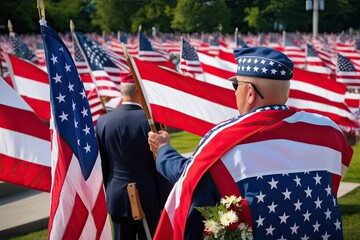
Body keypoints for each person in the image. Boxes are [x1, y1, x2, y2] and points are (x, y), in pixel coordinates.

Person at [148, 47, 353, 240]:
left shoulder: (225, 137)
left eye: (236, 85)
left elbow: (192, 177)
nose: (235, 92)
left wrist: (164, 150)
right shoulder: (328, 131)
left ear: (250, 93)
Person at [96, 73, 171, 240]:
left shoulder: (103, 122)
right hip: (149, 197)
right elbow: (161, 164)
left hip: (117, 197)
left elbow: (103, 165)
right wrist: (165, 200)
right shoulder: (151, 122)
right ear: (138, 90)